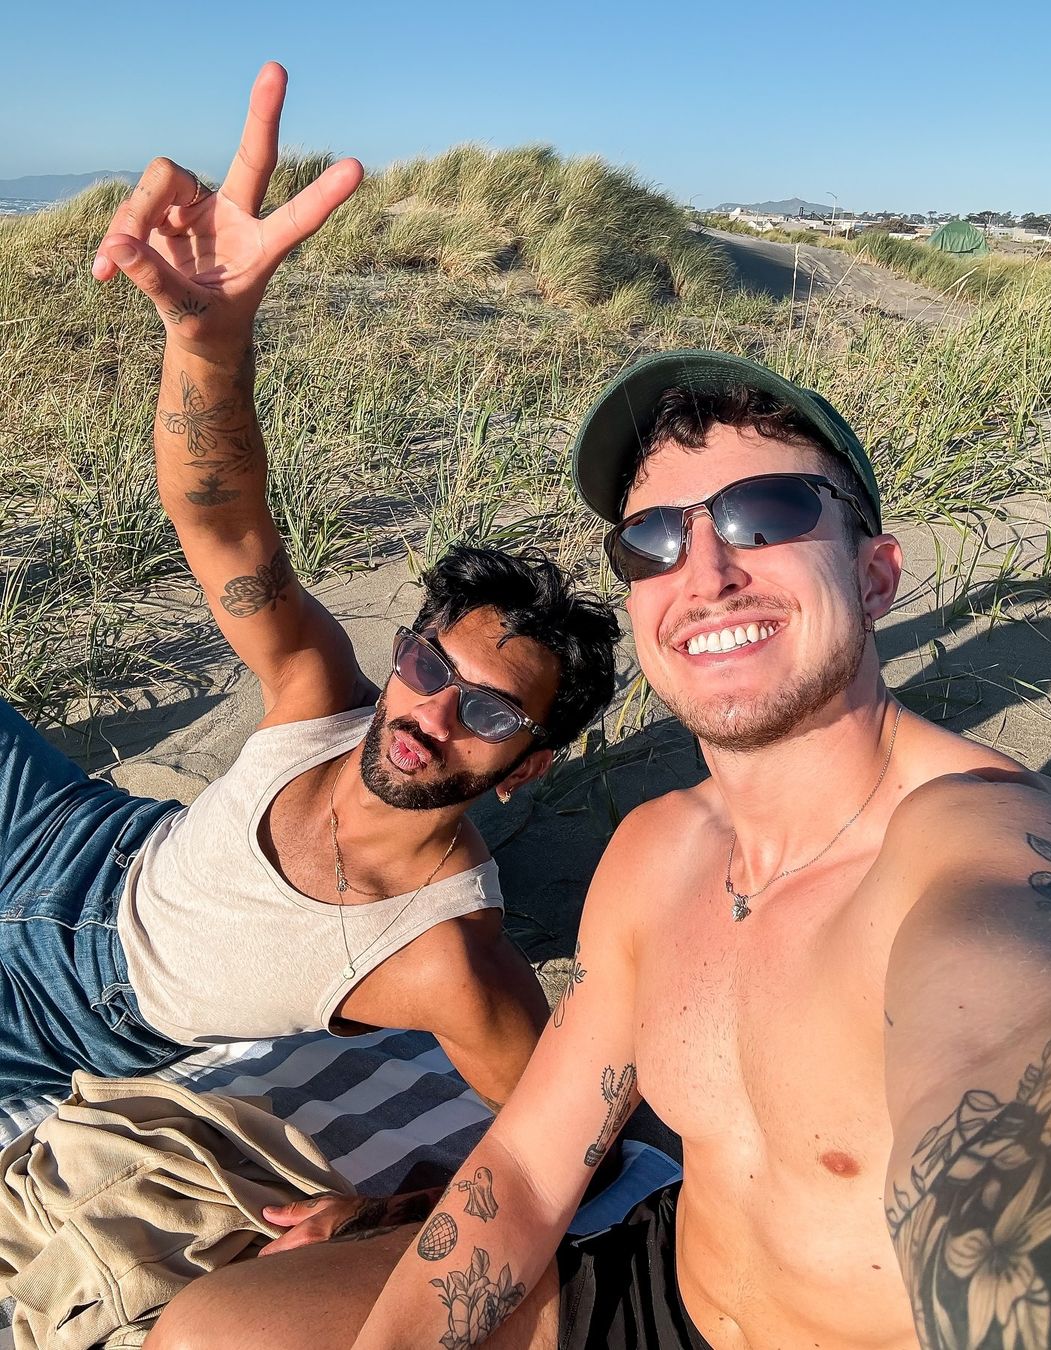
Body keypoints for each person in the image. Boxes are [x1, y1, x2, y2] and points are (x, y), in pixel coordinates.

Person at [148, 344, 1051, 1350]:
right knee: (217, 1332)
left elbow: (1016, 1089)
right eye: (653, 540)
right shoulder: (658, 850)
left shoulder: (977, 842)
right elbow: (528, 1167)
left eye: (768, 514)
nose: (707, 574)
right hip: (660, 1290)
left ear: (877, 574)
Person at [0, 62, 618, 1152]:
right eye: (430, 667)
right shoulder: (321, 698)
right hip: (68, 830)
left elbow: (566, 1146)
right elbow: (223, 524)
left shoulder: (442, 956)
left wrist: (401, 1209)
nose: (430, 713)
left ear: (526, 769)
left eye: (489, 713)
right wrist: (207, 345)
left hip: (64, 1015)